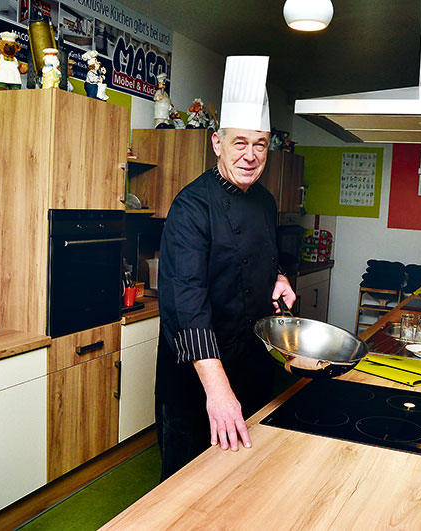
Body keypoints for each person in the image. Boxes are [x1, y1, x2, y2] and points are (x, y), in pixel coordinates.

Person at [155, 56, 296, 482]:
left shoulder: (266, 200)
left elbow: (262, 254)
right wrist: (216, 390)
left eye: (260, 144)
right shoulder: (191, 206)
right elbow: (186, 301)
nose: (251, 156)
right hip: (198, 372)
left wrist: (280, 276)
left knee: (243, 477)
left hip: (252, 360)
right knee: (189, 482)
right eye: (240, 143)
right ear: (217, 142)